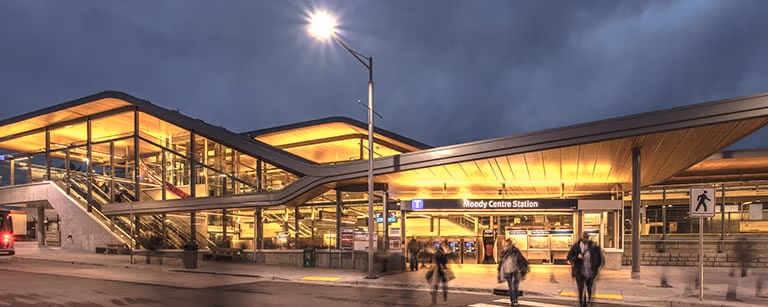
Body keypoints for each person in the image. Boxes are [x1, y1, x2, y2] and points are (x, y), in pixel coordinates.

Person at [568, 232, 603, 307]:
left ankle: (589, 300)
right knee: (580, 287)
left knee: (589, 287)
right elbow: (569, 256)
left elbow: (599, 260)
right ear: (582, 237)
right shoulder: (576, 246)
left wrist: (595, 268)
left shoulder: (593, 247)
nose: (585, 239)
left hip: (590, 272)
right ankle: (581, 302)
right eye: (584, 237)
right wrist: (577, 256)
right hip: (579, 271)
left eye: (586, 238)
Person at [497, 239, 529, 306]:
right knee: (514, 286)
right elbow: (522, 260)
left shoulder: (505, 252)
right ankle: (515, 300)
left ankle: (513, 301)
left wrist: (500, 273)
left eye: (505, 244)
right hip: (514, 271)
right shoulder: (514, 250)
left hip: (510, 271)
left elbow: (501, 263)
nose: (504, 245)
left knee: (511, 287)